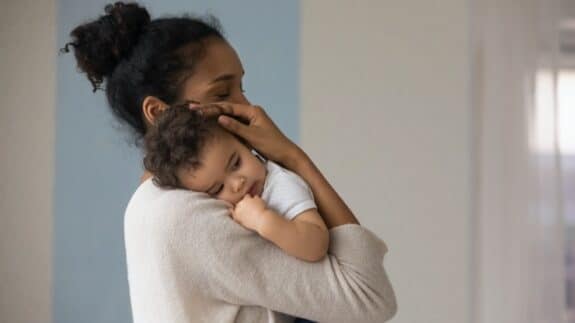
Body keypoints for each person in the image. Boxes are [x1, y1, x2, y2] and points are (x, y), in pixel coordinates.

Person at [63, 2, 397, 322]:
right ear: (160, 112)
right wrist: (293, 157)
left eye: (242, 87)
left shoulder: (157, 203)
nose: (250, 108)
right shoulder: (189, 216)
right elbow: (370, 297)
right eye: (222, 94)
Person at [143, 104, 329, 262]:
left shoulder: (281, 185)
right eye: (218, 189)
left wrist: (263, 220)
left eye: (236, 163)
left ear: (245, 143)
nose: (238, 183)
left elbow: (317, 244)